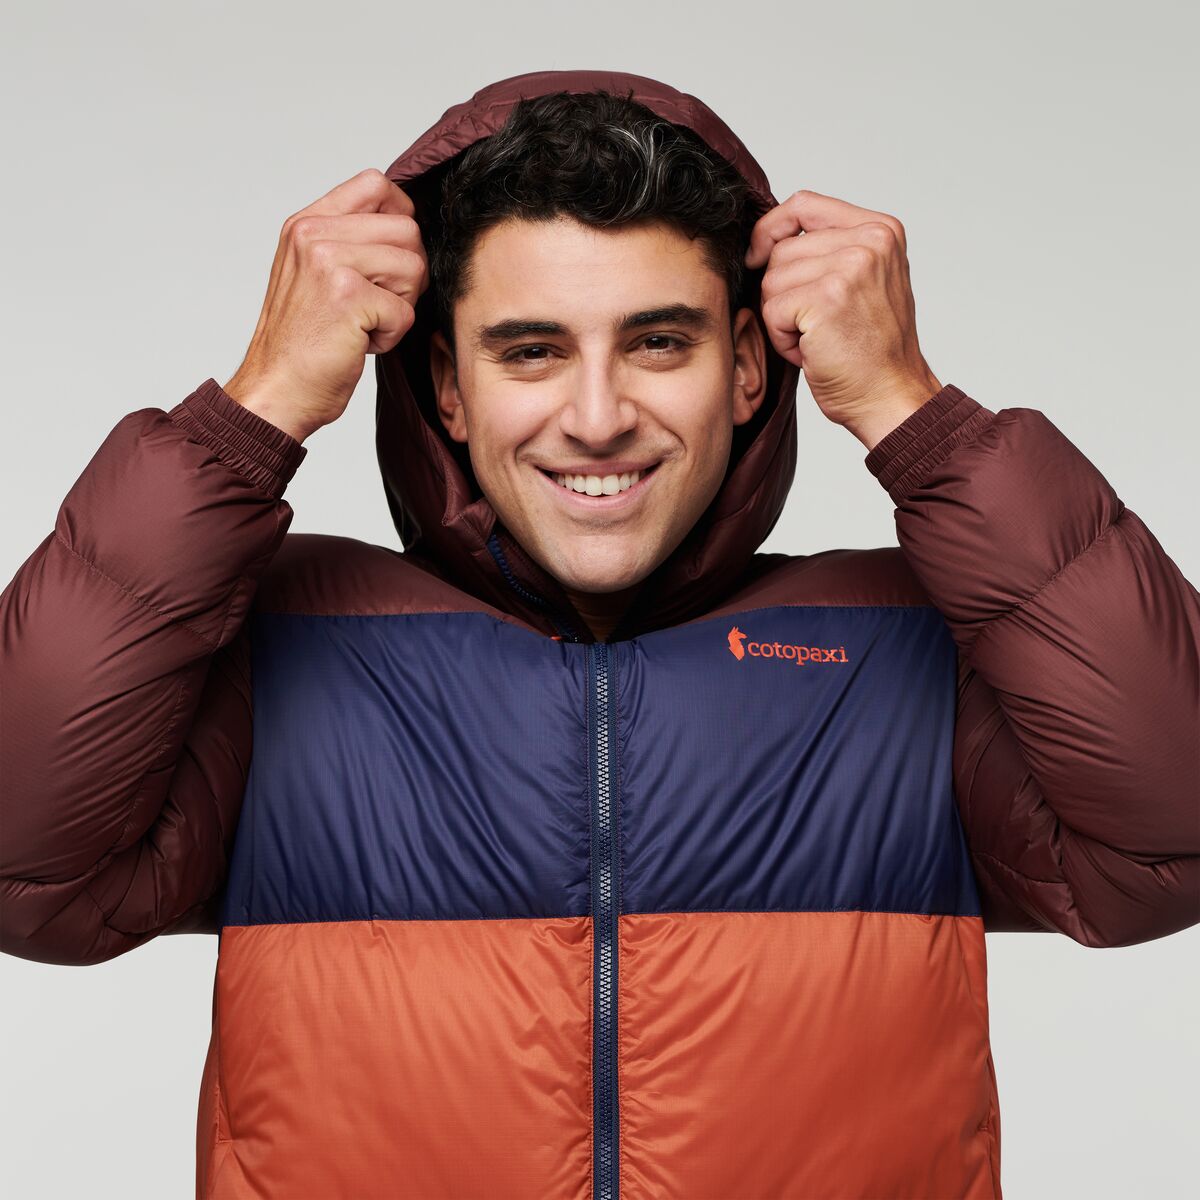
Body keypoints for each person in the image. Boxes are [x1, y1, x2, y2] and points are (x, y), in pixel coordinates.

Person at [1, 68, 1196, 1200]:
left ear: (747, 367)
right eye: (531, 351)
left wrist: (909, 410)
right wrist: (252, 411)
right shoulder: (281, 640)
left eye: (659, 342)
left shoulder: (904, 643)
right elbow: (26, 870)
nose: (597, 416)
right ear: (447, 389)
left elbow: (1172, 843)